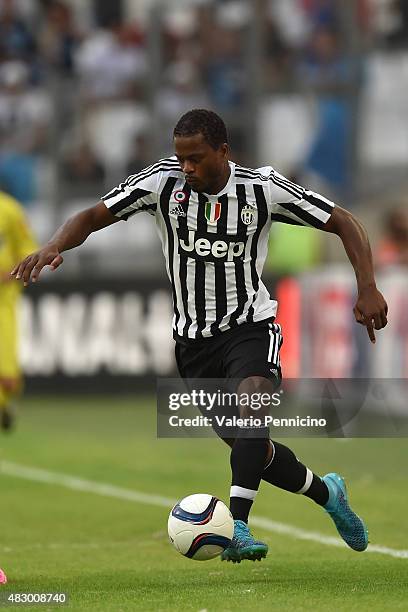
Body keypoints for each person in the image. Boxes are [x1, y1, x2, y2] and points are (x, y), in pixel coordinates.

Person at [11, 109, 388, 562]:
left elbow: (343, 221)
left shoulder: (262, 189)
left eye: (195, 158)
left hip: (251, 325)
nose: (186, 168)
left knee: (253, 407)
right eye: (181, 158)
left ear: (223, 151)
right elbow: (92, 215)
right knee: (256, 451)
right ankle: (328, 494)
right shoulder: (160, 184)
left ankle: (240, 525)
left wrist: (366, 285)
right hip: (193, 344)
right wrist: (54, 244)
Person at [0, 189, 38, 430]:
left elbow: (27, 249)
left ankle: (6, 403)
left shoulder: (10, 210)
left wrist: (10, 273)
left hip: (3, 302)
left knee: (8, 376)